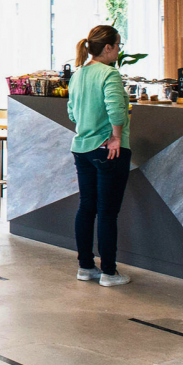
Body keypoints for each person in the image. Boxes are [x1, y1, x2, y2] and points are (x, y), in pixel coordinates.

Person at [68, 25, 132, 287]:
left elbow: (72, 113)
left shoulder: (78, 74)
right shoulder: (109, 74)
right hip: (108, 150)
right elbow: (116, 108)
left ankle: (85, 267)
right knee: (107, 213)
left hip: (82, 148)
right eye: (118, 45)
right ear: (107, 47)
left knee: (87, 207)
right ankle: (108, 273)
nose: (118, 50)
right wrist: (116, 136)